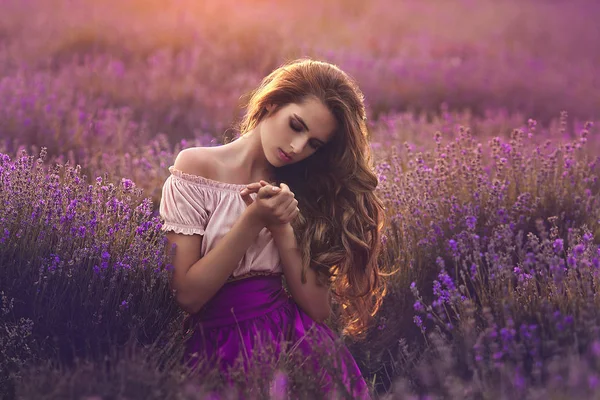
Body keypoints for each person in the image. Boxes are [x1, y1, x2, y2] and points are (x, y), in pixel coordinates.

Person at [159, 58, 387, 399]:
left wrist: (282, 226)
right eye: (296, 125)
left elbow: (317, 308)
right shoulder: (197, 166)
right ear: (271, 103)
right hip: (216, 347)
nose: (297, 148)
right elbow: (188, 296)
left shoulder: (304, 189)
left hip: (297, 349)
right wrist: (253, 220)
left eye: (314, 144)